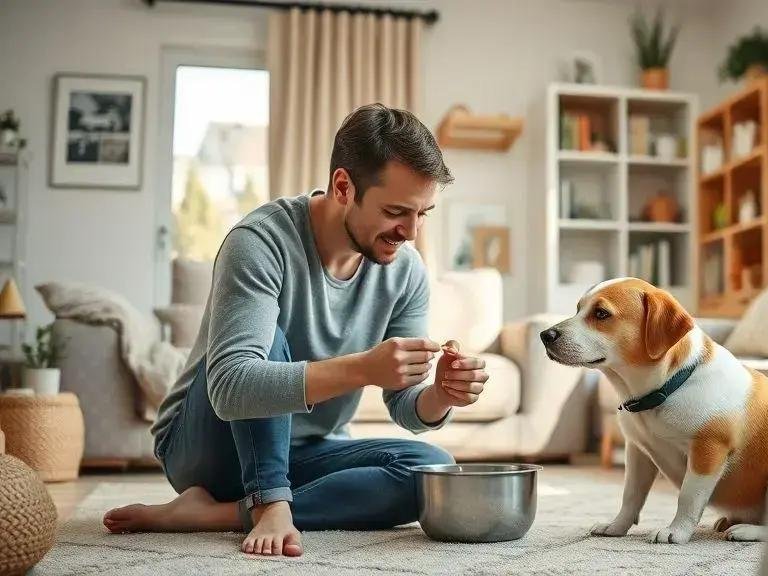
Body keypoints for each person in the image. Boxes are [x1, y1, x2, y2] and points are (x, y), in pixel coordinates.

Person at [102, 104, 490, 557]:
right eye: (396, 211)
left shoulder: (406, 272)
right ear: (343, 187)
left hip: (305, 454)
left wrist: (441, 394)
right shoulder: (260, 241)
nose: (411, 232)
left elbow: (405, 404)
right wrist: (363, 368)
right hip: (209, 451)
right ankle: (267, 501)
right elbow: (230, 387)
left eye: (424, 213)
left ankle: (218, 514)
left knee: (431, 470)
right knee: (269, 340)